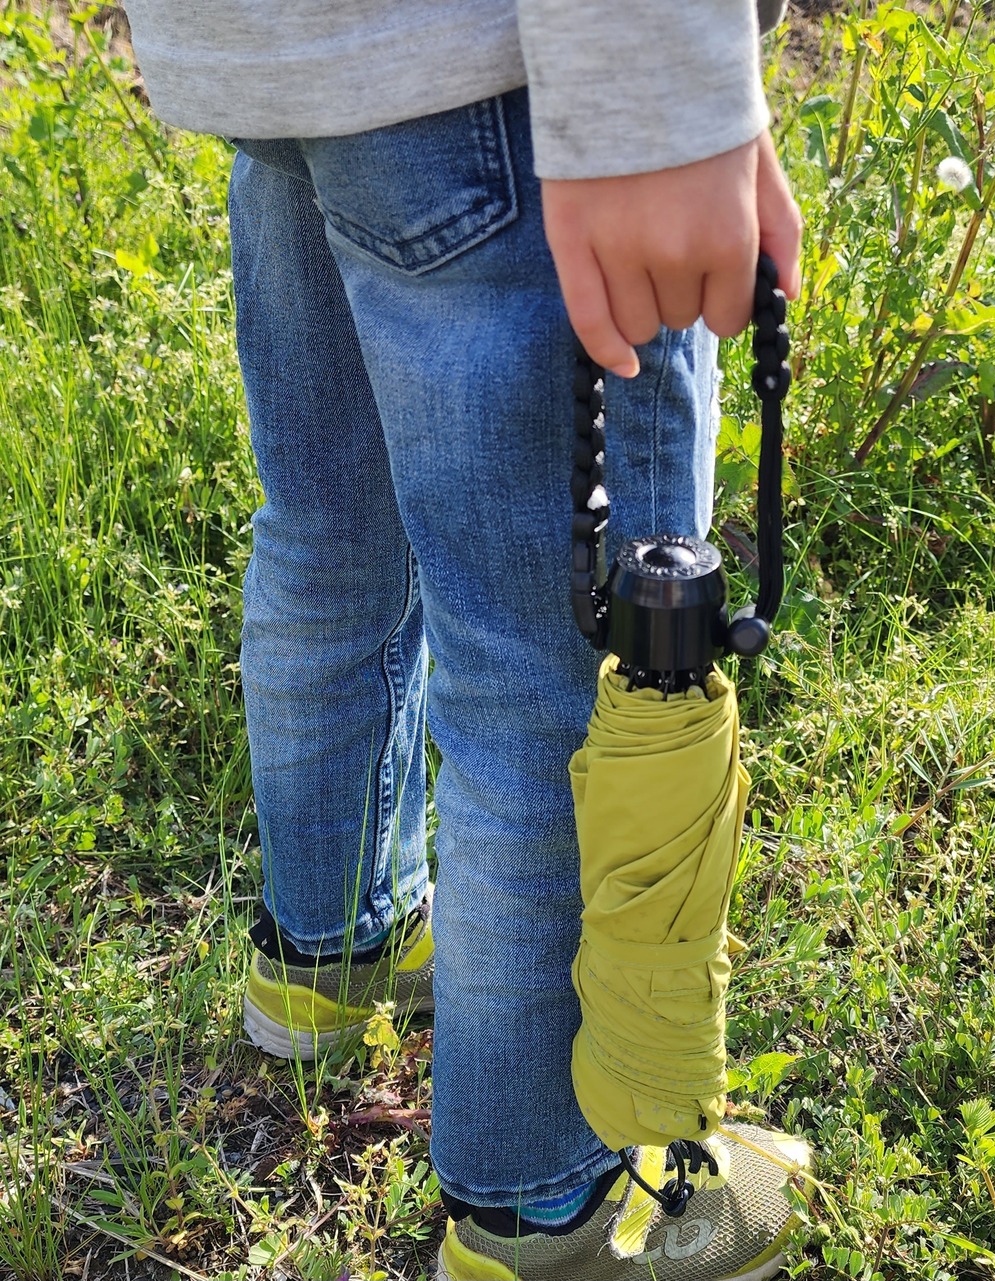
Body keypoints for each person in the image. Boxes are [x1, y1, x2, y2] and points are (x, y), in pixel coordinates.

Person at [119, 1, 810, 1275]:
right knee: (554, 687)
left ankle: (333, 950)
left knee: (331, 533)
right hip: (499, 81)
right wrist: (659, 97)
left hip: (280, 58)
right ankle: (545, 1206)